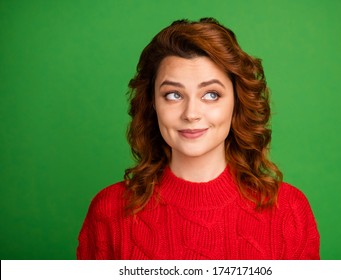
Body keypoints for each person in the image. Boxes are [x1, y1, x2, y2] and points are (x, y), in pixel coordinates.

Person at [77, 18, 320, 260]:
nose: (191, 114)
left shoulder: (289, 211)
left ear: (237, 102)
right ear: (152, 104)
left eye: (211, 95)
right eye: (173, 95)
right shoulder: (108, 212)